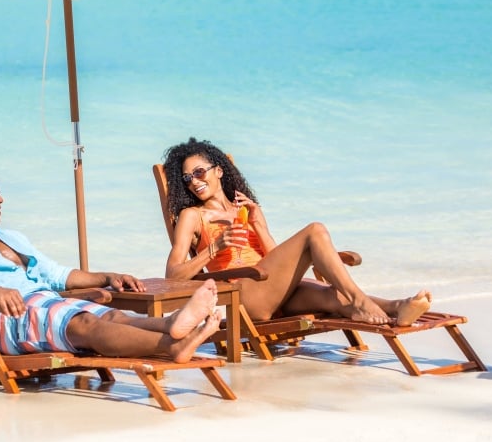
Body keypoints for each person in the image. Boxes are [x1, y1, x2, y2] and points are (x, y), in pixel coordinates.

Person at [0, 165, 221, 362]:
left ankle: (170, 323)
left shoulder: (10, 237)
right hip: (5, 320)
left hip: (44, 304)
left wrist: (107, 277)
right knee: (85, 324)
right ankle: (173, 347)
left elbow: (56, 274)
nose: (1, 199)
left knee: (113, 316)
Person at [162, 138, 432, 326]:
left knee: (331, 297)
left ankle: (400, 307)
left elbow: (273, 258)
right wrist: (216, 247)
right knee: (315, 230)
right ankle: (359, 300)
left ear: (219, 171)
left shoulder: (244, 207)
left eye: (199, 172)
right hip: (242, 296)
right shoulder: (192, 216)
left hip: (271, 289)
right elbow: (173, 274)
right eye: (188, 178)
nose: (195, 182)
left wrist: (259, 226)